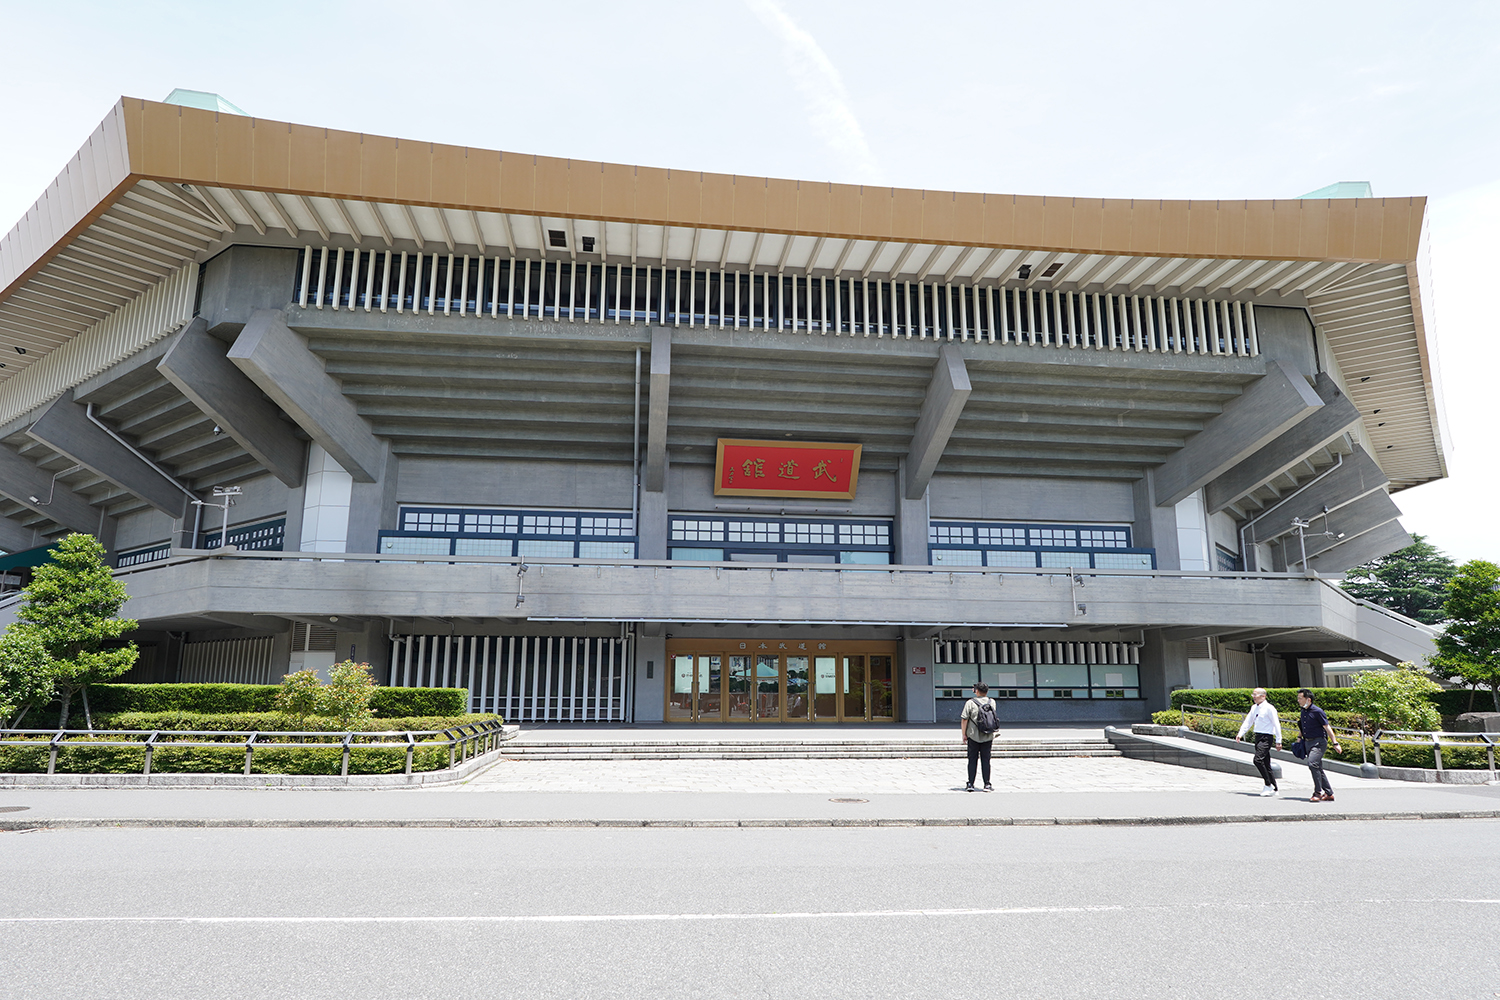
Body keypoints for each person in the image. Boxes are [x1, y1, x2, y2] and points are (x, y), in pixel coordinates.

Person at [1297, 688, 1343, 802]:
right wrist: (1299, 738)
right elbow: (1302, 726)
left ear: (1308, 699)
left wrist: (1335, 743)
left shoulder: (1318, 711)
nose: (1298, 700)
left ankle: (1317, 793)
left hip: (1318, 742)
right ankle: (1329, 793)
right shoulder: (1303, 711)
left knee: (1312, 764)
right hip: (1307, 741)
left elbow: (1327, 727)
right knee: (1317, 767)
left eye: (1300, 698)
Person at [1234, 687, 1281, 796]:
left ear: (1263, 696)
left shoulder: (1270, 708)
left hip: (1267, 737)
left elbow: (1276, 724)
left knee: (1257, 760)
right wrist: (1241, 733)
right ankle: (1274, 788)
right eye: (1253, 695)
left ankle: (1268, 784)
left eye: (1256, 695)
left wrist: (1279, 740)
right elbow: (1248, 721)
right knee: (1266, 763)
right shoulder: (1254, 707)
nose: (1254, 697)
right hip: (1258, 736)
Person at [959, 682, 996, 792]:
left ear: (977, 691)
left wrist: (964, 734)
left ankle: (970, 783)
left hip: (973, 735)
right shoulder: (992, 702)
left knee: (972, 760)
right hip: (988, 735)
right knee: (986, 760)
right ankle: (987, 784)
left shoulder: (970, 703)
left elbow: (964, 719)